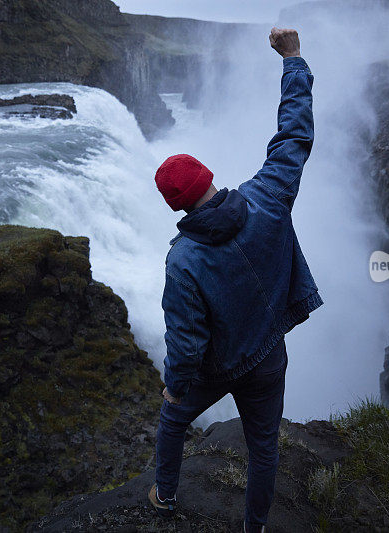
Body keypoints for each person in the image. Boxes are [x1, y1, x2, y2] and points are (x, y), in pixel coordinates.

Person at [147, 27, 321, 533]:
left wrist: (177, 388)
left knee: (173, 418)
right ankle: (256, 527)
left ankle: (165, 497)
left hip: (219, 367)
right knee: (263, 448)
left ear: (175, 204)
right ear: (209, 175)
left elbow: (185, 342)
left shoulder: (182, 261)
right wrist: (292, 58)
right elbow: (294, 135)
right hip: (268, 352)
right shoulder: (266, 196)